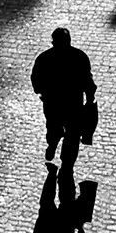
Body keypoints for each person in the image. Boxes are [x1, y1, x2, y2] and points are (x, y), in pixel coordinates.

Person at [31, 27, 97, 164]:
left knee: (53, 127)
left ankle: (53, 144)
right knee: (73, 133)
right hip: (73, 103)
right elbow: (87, 80)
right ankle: (66, 162)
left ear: (53, 41)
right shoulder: (80, 57)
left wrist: (42, 92)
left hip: (52, 103)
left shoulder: (44, 58)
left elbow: (36, 79)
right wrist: (90, 98)